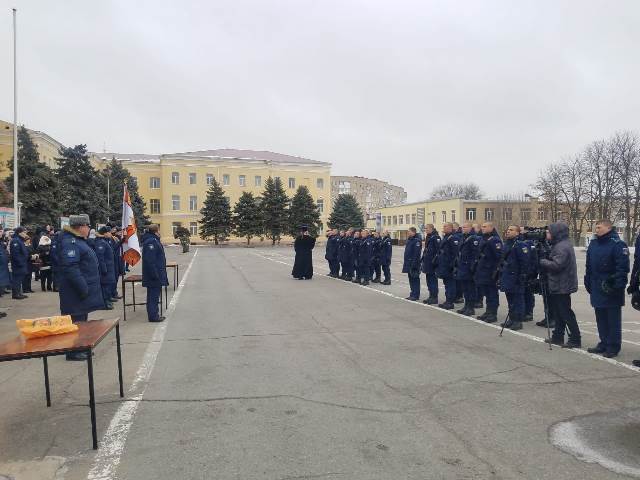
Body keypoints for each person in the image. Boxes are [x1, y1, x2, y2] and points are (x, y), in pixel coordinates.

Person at [58, 214, 105, 360]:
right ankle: (73, 351)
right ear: (80, 227)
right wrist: (83, 288)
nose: (89, 228)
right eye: (87, 226)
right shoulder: (70, 243)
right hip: (75, 292)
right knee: (76, 320)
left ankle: (81, 347)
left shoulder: (78, 241)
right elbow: (71, 268)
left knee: (81, 320)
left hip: (80, 291)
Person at [584, 219, 629, 358]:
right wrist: (588, 281)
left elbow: (622, 268)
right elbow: (589, 265)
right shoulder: (593, 244)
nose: (596, 230)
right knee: (601, 318)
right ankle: (603, 342)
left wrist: (617, 286)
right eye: (596, 227)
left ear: (608, 228)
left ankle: (613, 346)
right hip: (597, 285)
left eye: (599, 227)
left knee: (612, 320)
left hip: (611, 286)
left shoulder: (618, 244)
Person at [538, 223, 581, 348]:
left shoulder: (561, 247)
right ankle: (558, 336)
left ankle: (575, 338)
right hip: (559, 283)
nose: (547, 234)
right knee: (558, 312)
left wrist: (542, 261)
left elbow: (557, 265)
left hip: (562, 284)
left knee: (565, 312)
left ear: (556, 233)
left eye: (549, 232)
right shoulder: (560, 244)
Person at [499, 225, 529, 331]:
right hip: (507, 276)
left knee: (517, 300)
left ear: (517, 233)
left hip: (516, 277)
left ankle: (518, 321)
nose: (508, 231)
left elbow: (524, 262)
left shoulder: (520, 245)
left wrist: (522, 275)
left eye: (511, 230)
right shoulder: (507, 244)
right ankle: (512, 318)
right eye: (507, 230)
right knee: (510, 299)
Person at [475, 222, 502, 323]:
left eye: (485, 227)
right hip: (483, 270)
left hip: (490, 271)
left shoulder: (495, 239)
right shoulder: (484, 238)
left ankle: (493, 313)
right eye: (482, 226)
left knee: (492, 293)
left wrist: (495, 270)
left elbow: (498, 256)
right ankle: (488, 311)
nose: (482, 228)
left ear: (491, 227)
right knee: (486, 292)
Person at [141, 224, 168, 322]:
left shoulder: (153, 240)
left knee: (154, 296)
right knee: (153, 296)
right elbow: (150, 260)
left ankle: (154, 314)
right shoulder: (151, 242)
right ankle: (153, 316)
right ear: (156, 231)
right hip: (153, 275)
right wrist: (155, 275)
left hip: (155, 274)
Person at [455, 222, 480, 316]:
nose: (463, 229)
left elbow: (475, 254)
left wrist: (472, 267)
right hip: (462, 266)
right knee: (465, 288)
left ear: (470, 228)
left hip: (469, 267)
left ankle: (471, 307)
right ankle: (466, 306)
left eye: (465, 227)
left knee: (470, 288)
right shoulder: (463, 237)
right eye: (462, 227)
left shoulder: (474, 238)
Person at [436, 223, 459, 309]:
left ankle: (450, 302)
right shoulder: (446, 237)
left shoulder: (453, 238)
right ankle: (447, 300)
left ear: (450, 228)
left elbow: (455, 253)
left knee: (451, 284)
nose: (443, 228)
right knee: (447, 284)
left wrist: (452, 265)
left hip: (449, 266)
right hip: (444, 265)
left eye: (445, 226)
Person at [93, 226, 117, 310]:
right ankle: (104, 303)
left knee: (107, 285)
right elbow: (100, 257)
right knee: (105, 286)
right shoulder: (100, 242)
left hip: (109, 267)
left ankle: (107, 301)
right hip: (105, 269)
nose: (110, 233)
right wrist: (104, 269)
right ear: (104, 233)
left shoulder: (104, 241)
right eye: (108, 232)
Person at [421, 224, 440, 305]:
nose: (425, 230)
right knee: (429, 281)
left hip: (432, 263)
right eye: (425, 228)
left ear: (431, 228)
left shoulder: (436, 237)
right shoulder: (429, 236)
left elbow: (438, 251)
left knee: (433, 281)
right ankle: (431, 296)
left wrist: (435, 261)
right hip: (427, 262)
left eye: (427, 228)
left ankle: (434, 297)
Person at [9, 227, 30, 299]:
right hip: (18, 264)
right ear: (19, 233)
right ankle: (15, 294)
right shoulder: (16, 241)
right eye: (24, 232)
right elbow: (16, 254)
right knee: (16, 279)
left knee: (19, 279)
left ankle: (18, 293)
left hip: (22, 263)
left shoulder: (20, 240)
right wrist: (20, 263)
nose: (25, 234)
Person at [402, 227, 422, 301]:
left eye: (409, 232)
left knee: (415, 279)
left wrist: (414, 264)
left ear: (413, 232)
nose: (408, 233)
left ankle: (416, 295)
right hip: (408, 263)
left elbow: (416, 254)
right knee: (411, 279)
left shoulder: (416, 241)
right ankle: (413, 293)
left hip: (413, 264)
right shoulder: (410, 240)